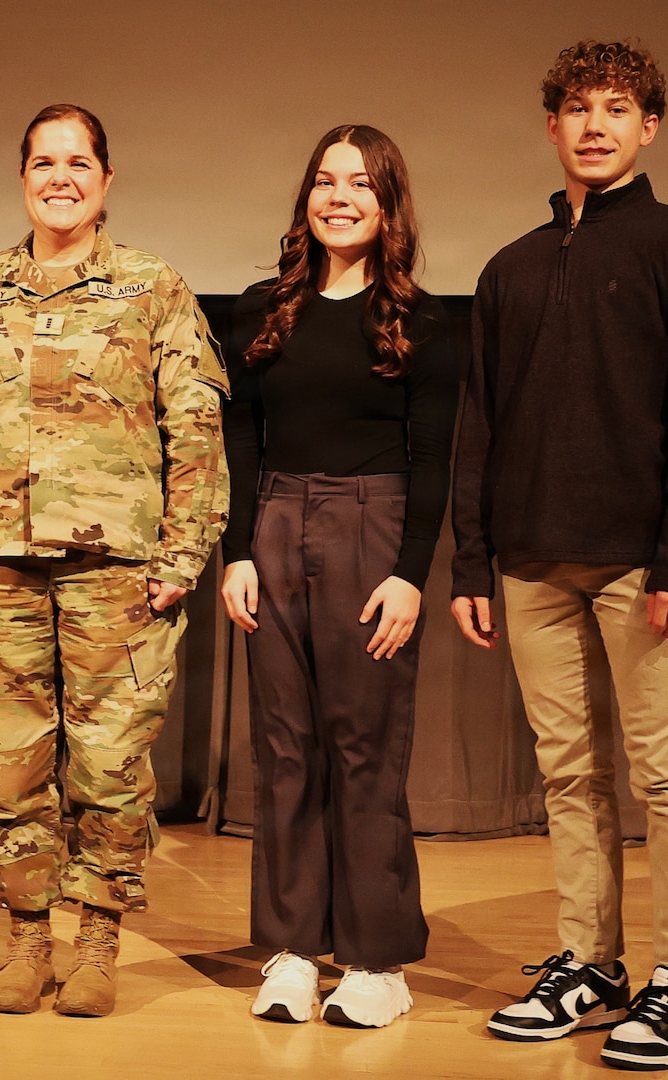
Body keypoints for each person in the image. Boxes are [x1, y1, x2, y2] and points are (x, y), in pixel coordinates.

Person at [0, 104, 229, 1017]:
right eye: (44, 161)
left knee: (110, 765)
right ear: (23, 178)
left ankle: (97, 944)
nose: (61, 178)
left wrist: (183, 552)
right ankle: (27, 941)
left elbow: (195, 426)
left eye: (79, 162)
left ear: (107, 180)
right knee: (7, 764)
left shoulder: (151, 288)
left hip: (116, 570)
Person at [451, 40, 668, 1070]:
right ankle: (590, 961)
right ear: (553, 126)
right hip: (529, 561)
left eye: (617, 107)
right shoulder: (510, 267)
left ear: (648, 126)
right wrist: (472, 563)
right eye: (577, 108)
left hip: (636, 564)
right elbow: (478, 423)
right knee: (568, 774)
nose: (596, 125)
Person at [221, 125, 459, 1028]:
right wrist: (237, 550)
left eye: (360, 183)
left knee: (364, 748)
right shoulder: (258, 309)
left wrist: (408, 575)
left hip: (373, 524)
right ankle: (290, 949)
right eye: (325, 181)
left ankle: (374, 961)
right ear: (306, 199)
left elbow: (433, 458)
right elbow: (241, 440)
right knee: (284, 747)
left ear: (388, 201)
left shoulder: (423, 321)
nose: (339, 197)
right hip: (275, 523)